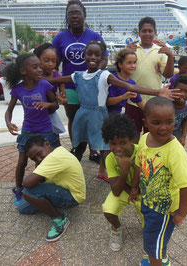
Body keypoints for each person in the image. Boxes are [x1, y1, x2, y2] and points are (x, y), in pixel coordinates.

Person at [50, 41, 177, 181]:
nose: (93, 57)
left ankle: (107, 171)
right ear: (84, 55)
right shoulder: (78, 75)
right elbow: (57, 80)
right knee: (79, 146)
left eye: (97, 54)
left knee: (105, 146)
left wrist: (157, 93)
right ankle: (72, 173)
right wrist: (38, 78)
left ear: (102, 58)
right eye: (89, 53)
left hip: (99, 115)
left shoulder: (104, 76)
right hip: (83, 115)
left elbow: (132, 88)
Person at [128, 97, 187, 266]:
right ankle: (160, 257)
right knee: (156, 239)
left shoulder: (175, 152)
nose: (164, 128)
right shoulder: (144, 139)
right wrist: (134, 187)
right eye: (156, 122)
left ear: (175, 121)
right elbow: (139, 164)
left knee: (152, 244)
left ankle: (157, 259)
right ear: (146, 122)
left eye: (169, 122)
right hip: (148, 201)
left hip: (165, 211)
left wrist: (181, 214)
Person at [52, 0, 108, 163]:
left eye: (77, 13)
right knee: (74, 118)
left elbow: (103, 58)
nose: (74, 16)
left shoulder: (94, 36)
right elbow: (55, 65)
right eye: (71, 13)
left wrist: (96, 73)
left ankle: (93, 150)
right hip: (70, 85)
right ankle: (76, 146)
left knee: (93, 118)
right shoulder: (60, 38)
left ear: (84, 15)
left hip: (92, 85)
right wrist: (59, 86)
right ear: (67, 16)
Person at [4, 54, 59, 208]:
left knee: (42, 162)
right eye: (35, 67)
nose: (40, 69)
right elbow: (9, 111)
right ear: (23, 71)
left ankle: (38, 189)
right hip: (28, 130)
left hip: (45, 130)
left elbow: (55, 104)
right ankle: (19, 189)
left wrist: (48, 105)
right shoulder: (17, 90)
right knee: (22, 162)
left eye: (40, 66)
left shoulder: (44, 85)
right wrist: (9, 123)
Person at [17, 136, 86, 242]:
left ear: (47, 144)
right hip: (61, 188)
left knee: (28, 192)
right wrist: (39, 163)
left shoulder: (55, 157)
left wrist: (38, 165)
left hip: (73, 196)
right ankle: (47, 204)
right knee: (23, 208)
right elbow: (39, 180)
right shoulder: (55, 152)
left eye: (39, 154)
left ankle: (60, 219)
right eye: (34, 159)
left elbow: (27, 183)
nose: (39, 159)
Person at [126, 17, 174, 141]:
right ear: (139, 33)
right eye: (144, 31)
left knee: (151, 135)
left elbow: (168, 75)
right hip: (132, 100)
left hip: (153, 102)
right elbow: (122, 71)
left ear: (155, 33)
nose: (147, 34)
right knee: (132, 135)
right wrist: (126, 52)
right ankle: (134, 159)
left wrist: (170, 56)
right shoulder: (132, 49)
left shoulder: (161, 51)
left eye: (150, 31)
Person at [101, 113, 143, 252]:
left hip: (143, 192)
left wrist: (136, 190)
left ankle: (148, 226)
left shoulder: (142, 152)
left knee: (150, 222)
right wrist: (124, 171)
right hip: (124, 190)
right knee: (108, 210)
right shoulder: (110, 159)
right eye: (113, 143)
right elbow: (116, 191)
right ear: (107, 142)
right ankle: (116, 229)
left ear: (131, 139)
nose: (118, 148)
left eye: (123, 143)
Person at [34, 43, 67, 144]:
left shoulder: (57, 76)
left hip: (51, 114)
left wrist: (63, 100)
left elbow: (64, 98)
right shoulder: (34, 76)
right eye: (46, 60)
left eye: (54, 61)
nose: (50, 64)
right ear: (38, 59)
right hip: (36, 116)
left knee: (54, 142)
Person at [107, 49, 144, 114]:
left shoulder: (132, 83)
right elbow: (107, 102)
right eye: (129, 63)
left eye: (134, 62)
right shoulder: (112, 80)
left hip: (120, 117)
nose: (133, 66)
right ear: (120, 65)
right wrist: (123, 97)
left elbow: (140, 103)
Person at [172, 75, 187, 147]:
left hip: (177, 132)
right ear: (173, 89)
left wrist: (183, 137)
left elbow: (186, 119)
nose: (182, 94)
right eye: (179, 90)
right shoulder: (166, 102)